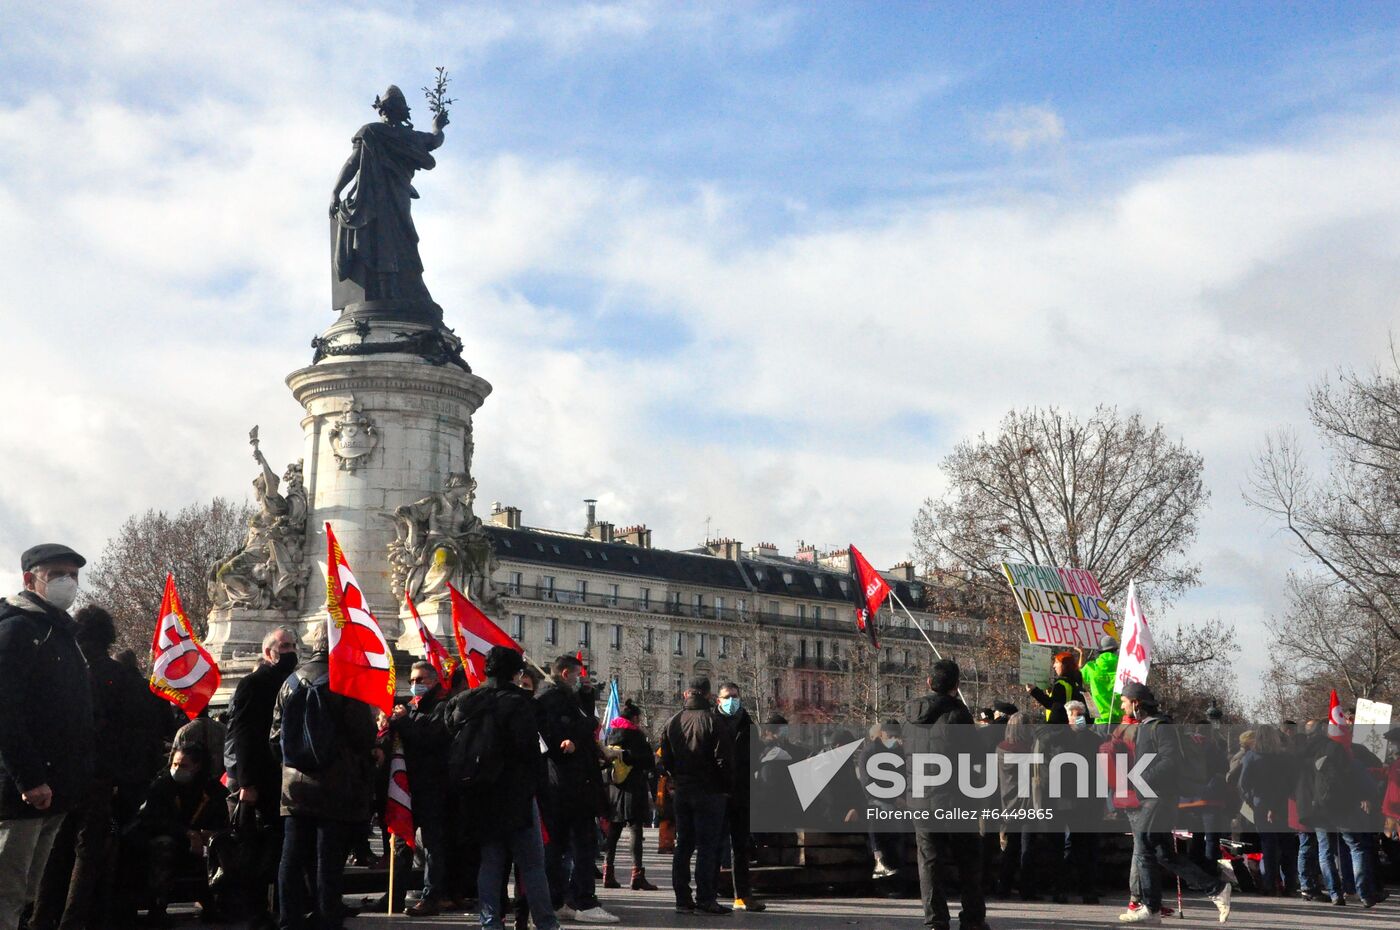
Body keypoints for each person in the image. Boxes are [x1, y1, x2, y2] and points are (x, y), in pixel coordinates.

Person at [0, 544, 95, 930]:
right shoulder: (17, 630)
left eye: (73, 575)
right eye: (57, 574)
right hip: (24, 792)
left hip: (54, 791)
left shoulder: (59, 633)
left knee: (25, 894)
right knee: (6, 890)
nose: (68, 583)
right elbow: (5, 710)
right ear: (29, 579)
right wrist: (29, 777)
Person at [270, 622, 377, 930]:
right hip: (335, 783)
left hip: (294, 786)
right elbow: (363, 735)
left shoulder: (290, 682)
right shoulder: (346, 682)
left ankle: (289, 918)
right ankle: (326, 916)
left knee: (291, 857)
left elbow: (275, 736)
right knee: (328, 859)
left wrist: (294, 764)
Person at [445, 647, 561, 930]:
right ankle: (546, 923)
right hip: (516, 794)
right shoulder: (520, 703)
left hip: (479, 794)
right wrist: (543, 792)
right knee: (532, 864)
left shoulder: (464, 702)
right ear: (517, 673)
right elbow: (530, 752)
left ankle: (490, 922)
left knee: (491, 862)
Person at [1117, 682, 1232, 924]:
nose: (1122, 705)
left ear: (1136, 703)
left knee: (1146, 846)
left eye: (1124, 701)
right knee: (1163, 853)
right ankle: (1216, 888)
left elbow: (1169, 761)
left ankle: (1151, 907)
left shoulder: (1159, 727)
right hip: (1154, 795)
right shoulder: (1148, 727)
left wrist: (1139, 779)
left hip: (1159, 797)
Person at [330, 85, 448, 304]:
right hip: (394, 199)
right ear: (402, 112)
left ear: (383, 110)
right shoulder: (408, 137)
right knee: (397, 240)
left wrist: (336, 192)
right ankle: (391, 288)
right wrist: (437, 127)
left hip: (373, 200)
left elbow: (352, 163)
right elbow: (434, 140)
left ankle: (390, 289)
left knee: (384, 239)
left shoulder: (371, 131)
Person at [224, 627, 299, 930]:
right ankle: (255, 911)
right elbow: (243, 735)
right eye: (284, 645)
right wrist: (246, 783)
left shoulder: (295, 684)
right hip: (262, 780)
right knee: (256, 850)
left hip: (288, 778)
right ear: (268, 652)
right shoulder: (252, 684)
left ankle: (282, 908)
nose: (290, 650)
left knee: (281, 847)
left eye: (293, 645)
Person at [905, 659, 988, 930]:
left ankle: (935, 920)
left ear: (929, 682)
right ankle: (973, 919)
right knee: (968, 862)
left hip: (921, 799)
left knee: (929, 863)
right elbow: (975, 758)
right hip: (955, 799)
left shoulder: (910, 719)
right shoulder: (958, 715)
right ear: (956, 685)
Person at [535, 655, 617, 924]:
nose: (581, 679)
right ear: (566, 673)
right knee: (582, 845)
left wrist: (587, 698)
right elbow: (569, 733)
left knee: (560, 846)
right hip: (569, 785)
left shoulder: (564, 698)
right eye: (579, 675)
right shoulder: (555, 700)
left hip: (565, 784)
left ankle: (559, 899)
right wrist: (590, 724)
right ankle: (584, 901)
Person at [120, 746, 229, 926]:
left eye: (184, 765)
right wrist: (187, 833)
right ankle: (158, 907)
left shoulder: (210, 789)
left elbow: (220, 819)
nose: (177, 769)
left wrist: (207, 835)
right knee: (163, 846)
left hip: (201, 842)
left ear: (197, 766)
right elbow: (154, 820)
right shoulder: (163, 786)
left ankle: (215, 904)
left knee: (221, 846)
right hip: (170, 839)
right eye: (175, 764)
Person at [659, 677, 733, 916]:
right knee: (708, 847)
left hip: (683, 790)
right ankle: (706, 898)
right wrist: (725, 786)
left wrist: (677, 778)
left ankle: (682, 898)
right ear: (709, 695)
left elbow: (665, 760)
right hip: (710, 792)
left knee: (683, 846)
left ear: (687, 694)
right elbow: (724, 760)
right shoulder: (714, 721)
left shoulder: (672, 722)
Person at [388, 661, 453, 916]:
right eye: (412, 680)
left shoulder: (442, 708)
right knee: (402, 840)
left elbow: (429, 739)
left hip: (433, 786)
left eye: (421, 680)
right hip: (408, 786)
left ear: (434, 681)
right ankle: (394, 894)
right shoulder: (411, 708)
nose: (415, 685)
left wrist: (403, 722)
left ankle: (432, 896)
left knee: (433, 844)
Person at [713, 682, 763, 911]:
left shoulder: (748, 723)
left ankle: (742, 896)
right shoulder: (711, 721)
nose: (731, 700)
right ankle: (708, 894)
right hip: (716, 792)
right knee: (713, 845)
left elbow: (757, 755)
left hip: (742, 793)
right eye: (727, 696)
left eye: (735, 696)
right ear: (718, 700)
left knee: (741, 847)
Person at [602, 700, 657, 893]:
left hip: (615, 788)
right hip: (634, 787)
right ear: (635, 718)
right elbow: (649, 761)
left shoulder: (610, 735)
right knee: (635, 830)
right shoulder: (636, 736)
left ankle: (607, 873)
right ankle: (637, 876)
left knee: (614, 831)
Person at [1238, 724, 1298, 895]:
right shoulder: (1285, 757)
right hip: (1283, 803)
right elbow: (1290, 782)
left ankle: (1270, 883)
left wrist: (1251, 799)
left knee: (1268, 845)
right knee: (1287, 845)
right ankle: (1291, 884)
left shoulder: (1252, 757)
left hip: (1261, 802)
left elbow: (1243, 783)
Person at [1024, 651, 1086, 725]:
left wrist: (1034, 691)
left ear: (1064, 665)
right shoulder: (1077, 682)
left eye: (1056, 662)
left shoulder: (1061, 683)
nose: (1054, 666)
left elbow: (1052, 705)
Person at [1078, 637, 1122, 725]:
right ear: (1116, 649)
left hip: (1101, 721)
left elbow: (1077, 677)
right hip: (1122, 721)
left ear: (1099, 651)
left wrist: (1081, 654)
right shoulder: (1123, 667)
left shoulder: (1091, 668)